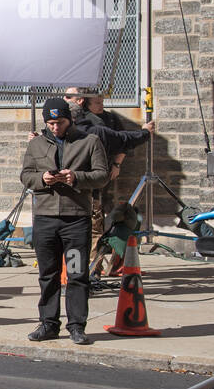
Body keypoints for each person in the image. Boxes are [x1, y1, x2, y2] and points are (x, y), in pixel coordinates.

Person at [20, 97, 109, 346]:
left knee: (77, 273)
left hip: (76, 219)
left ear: (69, 120)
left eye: (59, 122)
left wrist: (76, 177)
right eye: (50, 123)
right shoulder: (36, 144)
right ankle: (48, 323)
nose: (55, 127)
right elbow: (25, 175)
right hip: (46, 219)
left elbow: (102, 176)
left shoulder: (89, 142)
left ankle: (77, 326)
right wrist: (42, 179)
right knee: (48, 274)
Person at [63, 88, 156, 265]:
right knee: (90, 228)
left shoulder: (99, 125)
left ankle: (84, 269)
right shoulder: (94, 132)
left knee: (84, 228)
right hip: (82, 190)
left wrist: (116, 164)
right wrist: (144, 132)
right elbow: (123, 139)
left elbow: (121, 140)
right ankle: (89, 269)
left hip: (78, 190)